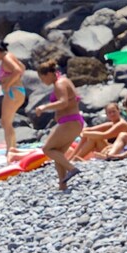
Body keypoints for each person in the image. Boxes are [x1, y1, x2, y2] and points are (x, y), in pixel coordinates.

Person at [34, 59, 83, 189]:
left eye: (42, 78)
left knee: (47, 149)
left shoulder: (59, 83)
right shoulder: (64, 80)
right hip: (74, 122)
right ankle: (62, 184)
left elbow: (63, 102)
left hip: (70, 122)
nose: (42, 81)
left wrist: (44, 107)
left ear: (48, 74)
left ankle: (72, 169)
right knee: (58, 153)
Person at [0, 39, 27, 156]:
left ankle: (10, 150)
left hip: (12, 92)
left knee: (5, 122)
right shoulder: (10, 56)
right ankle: (12, 148)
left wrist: (8, 84)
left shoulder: (6, 58)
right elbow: (22, 67)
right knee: (7, 122)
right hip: (17, 91)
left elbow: (18, 70)